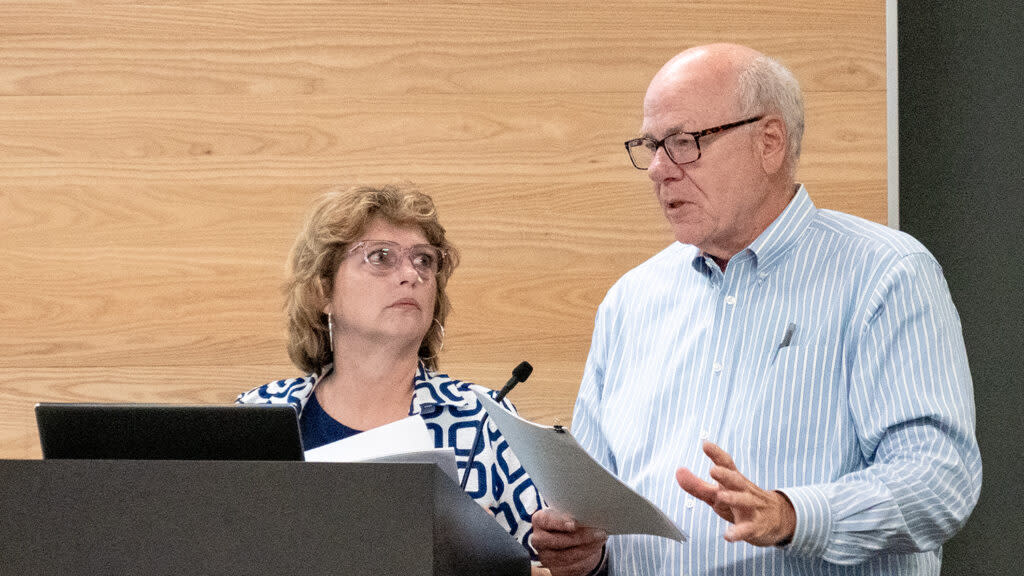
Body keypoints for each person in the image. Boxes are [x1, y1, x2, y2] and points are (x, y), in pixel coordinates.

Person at [531, 44, 982, 576]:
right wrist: (587, 550)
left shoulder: (884, 274)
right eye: (651, 146)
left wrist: (792, 515)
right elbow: (597, 505)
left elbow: (938, 480)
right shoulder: (630, 300)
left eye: (683, 142)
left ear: (769, 142)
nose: (657, 169)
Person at [236, 184, 544, 562]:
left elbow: (554, 564)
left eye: (424, 260)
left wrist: (489, 552)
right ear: (322, 292)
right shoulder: (256, 415)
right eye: (381, 257)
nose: (410, 275)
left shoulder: (484, 418)